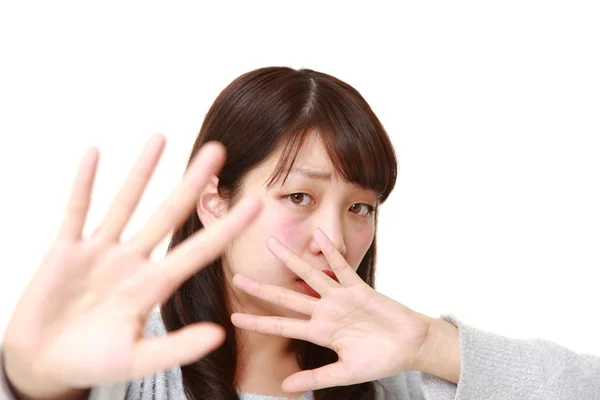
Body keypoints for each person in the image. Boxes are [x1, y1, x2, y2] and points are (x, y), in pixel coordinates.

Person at [1, 67, 599, 400]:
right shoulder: (135, 362)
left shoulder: (392, 374)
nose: (333, 239)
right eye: (297, 197)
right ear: (214, 202)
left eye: (361, 208)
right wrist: (35, 377)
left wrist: (430, 345)